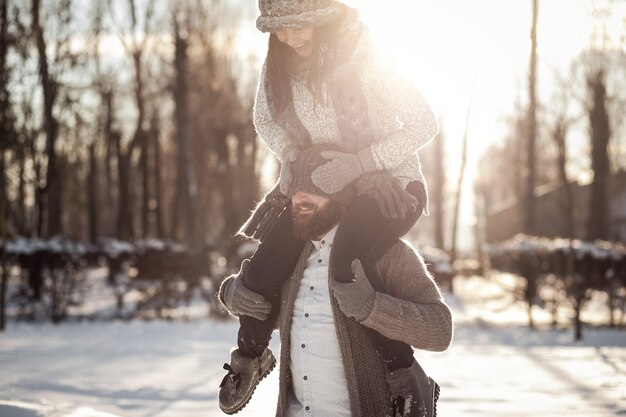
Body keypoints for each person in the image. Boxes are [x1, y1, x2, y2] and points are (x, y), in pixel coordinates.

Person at [219, 0, 439, 414]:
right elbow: (265, 121)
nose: (288, 37)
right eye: (278, 29)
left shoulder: (366, 57)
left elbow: (424, 123)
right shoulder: (279, 67)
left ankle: (407, 374)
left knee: (346, 264)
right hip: (325, 185)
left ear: (323, 15)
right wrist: (293, 157)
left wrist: (360, 163)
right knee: (266, 264)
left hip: (390, 187)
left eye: (298, 25)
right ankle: (250, 356)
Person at [219, 145, 453, 417]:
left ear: (342, 195)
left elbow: (441, 330)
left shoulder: (388, 254)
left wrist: (374, 307)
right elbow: (262, 309)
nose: (299, 197)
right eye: (295, 187)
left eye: (314, 187)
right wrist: (230, 293)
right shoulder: (290, 261)